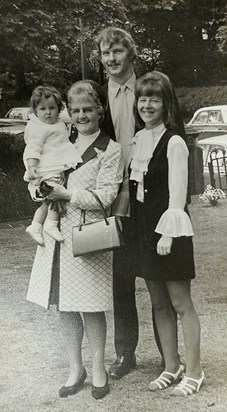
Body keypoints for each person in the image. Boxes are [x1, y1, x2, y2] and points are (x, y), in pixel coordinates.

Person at [95, 26, 183, 379]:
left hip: (153, 196)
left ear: (130, 54)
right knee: (120, 276)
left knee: (158, 276)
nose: (112, 59)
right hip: (115, 194)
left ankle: (169, 357)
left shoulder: (149, 90)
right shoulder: (100, 96)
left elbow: (174, 134)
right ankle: (124, 353)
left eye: (118, 52)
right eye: (105, 54)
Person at [26, 80, 124, 400]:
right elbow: (39, 173)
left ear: (100, 110)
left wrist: (67, 194)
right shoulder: (59, 139)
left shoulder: (111, 149)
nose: (82, 115)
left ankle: (98, 366)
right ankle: (75, 367)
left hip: (87, 236)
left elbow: (106, 196)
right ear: (68, 111)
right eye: (76, 109)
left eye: (88, 109)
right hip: (56, 236)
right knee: (63, 306)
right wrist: (39, 188)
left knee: (91, 306)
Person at [128, 71, 205, 396]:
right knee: (158, 303)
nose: (147, 104)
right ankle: (171, 366)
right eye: (142, 98)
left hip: (169, 232)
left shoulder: (174, 141)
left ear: (166, 102)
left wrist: (167, 236)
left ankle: (195, 370)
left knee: (180, 302)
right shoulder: (137, 139)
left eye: (154, 98)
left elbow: (177, 194)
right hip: (144, 231)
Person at [23, 85, 82, 246]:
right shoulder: (37, 127)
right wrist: (32, 166)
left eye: (52, 108)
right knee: (54, 194)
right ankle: (50, 224)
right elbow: (33, 148)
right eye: (43, 109)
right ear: (35, 110)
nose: (48, 112)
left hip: (56, 166)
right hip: (45, 168)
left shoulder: (57, 123)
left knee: (50, 200)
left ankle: (36, 225)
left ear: (59, 109)